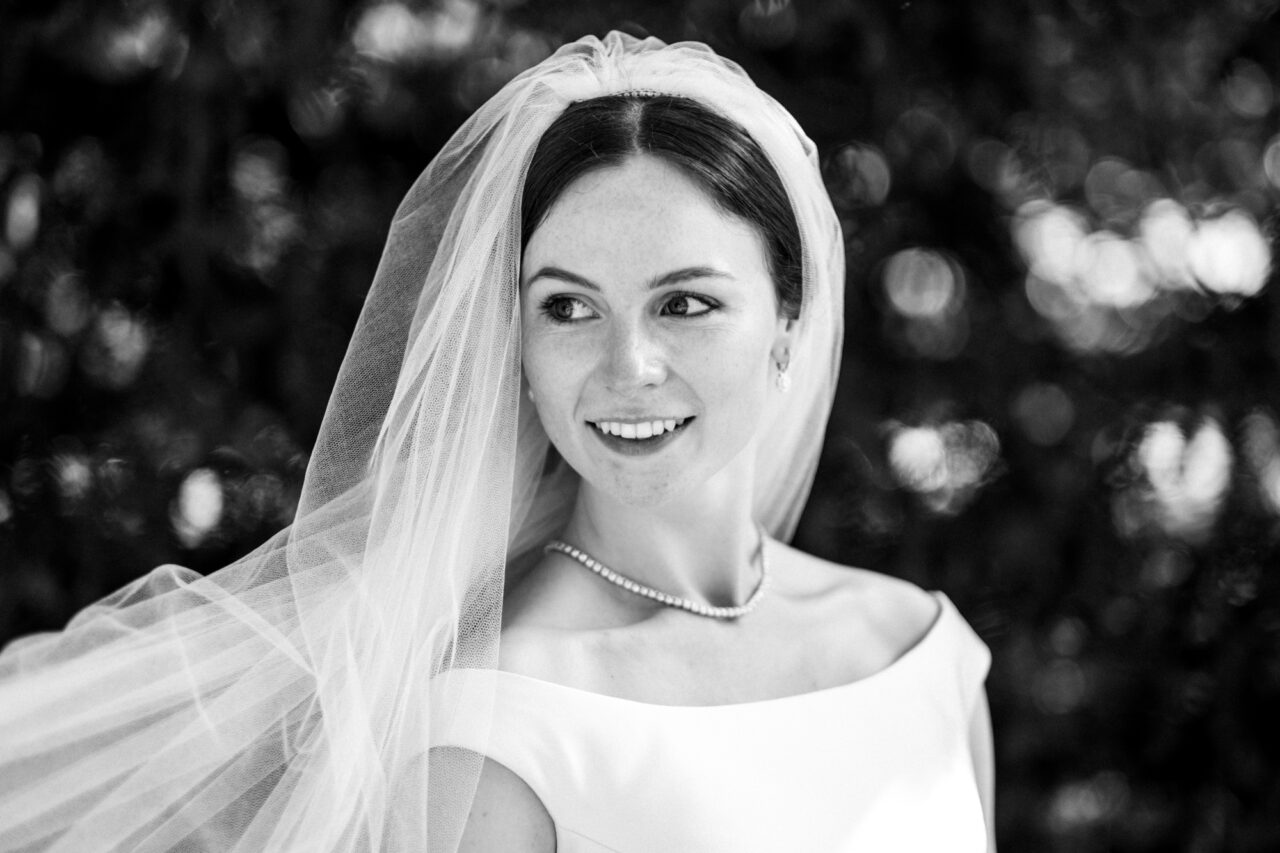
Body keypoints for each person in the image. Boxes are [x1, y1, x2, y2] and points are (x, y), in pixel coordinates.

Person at [0, 32, 992, 853]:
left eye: (684, 301)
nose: (626, 364)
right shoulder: (491, 733)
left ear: (788, 320)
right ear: (512, 342)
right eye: (567, 306)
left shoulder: (919, 646)